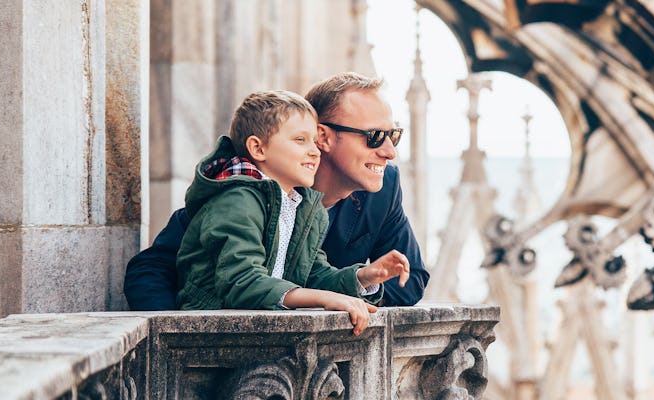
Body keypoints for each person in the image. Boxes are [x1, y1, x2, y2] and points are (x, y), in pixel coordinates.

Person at [125, 72, 429, 310]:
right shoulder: (240, 192)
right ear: (323, 136)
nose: (390, 151)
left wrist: (363, 281)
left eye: (394, 135)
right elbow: (150, 269)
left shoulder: (383, 187)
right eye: (375, 136)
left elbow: (411, 280)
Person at [175, 90, 410, 336]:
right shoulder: (236, 198)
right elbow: (241, 281)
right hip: (212, 334)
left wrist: (363, 277)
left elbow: (313, 273)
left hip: (262, 330)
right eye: (300, 140)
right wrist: (325, 299)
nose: (315, 151)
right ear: (258, 148)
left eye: (313, 141)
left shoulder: (303, 205)